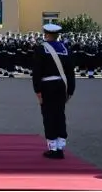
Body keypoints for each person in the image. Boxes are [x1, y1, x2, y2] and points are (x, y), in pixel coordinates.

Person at [32, 23, 75, 159]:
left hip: (47, 86)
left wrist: (37, 90)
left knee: (49, 116)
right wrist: (71, 89)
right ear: (57, 35)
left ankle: (53, 148)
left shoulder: (40, 49)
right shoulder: (65, 48)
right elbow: (70, 71)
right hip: (62, 86)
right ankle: (60, 147)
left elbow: (37, 71)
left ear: (46, 34)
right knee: (60, 115)